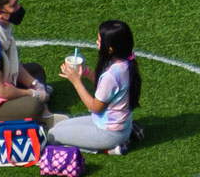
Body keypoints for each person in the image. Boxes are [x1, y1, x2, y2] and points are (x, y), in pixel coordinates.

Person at [48, 20, 143, 155]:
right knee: (58, 127)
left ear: (110, 48)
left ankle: (110, 149)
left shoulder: (112, 75)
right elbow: (108, 88)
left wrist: (76, 81)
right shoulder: (125, 63)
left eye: (99, 40)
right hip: (114, 126)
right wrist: (86, 72)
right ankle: (124, 137)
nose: (96, 42)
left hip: (109, 134)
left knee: (52, 136)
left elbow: (95, 107)